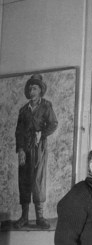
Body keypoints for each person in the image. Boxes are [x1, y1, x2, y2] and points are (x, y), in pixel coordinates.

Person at [14, 74, 58, 229]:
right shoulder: (23, 110)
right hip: (25, 147)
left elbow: (53, 123)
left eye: (35, 88)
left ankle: (40, 217)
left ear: (40, 90)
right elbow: (18, 131)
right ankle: (24, 217)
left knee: (38, 179)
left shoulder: (46, 105)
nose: (32, 90)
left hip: (39, 146)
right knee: (24, 179)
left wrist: (42, 133)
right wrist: (20, 149)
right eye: (30, 88)